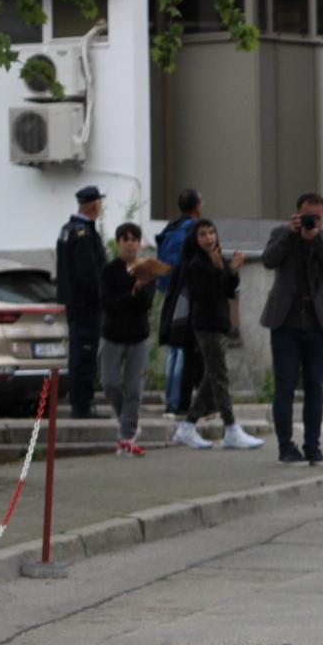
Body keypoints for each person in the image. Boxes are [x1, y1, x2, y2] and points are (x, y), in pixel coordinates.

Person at [262, 192, 323, 466]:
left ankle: (312, 447)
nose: (312, 221)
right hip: (285, 321)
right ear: (297, 214)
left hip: (318, 322)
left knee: (315, 388)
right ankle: (286, 447)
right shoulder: (281, 233)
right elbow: (269, 260)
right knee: (284, 387)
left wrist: (315, 238)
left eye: (317, 217)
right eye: (308, 216)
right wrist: (291, 233)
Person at [169, 220, 260, 450]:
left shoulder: (216, 258)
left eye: (211, 232)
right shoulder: (196, 264)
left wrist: (232, 269)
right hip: (206, 326)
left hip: (220, 324)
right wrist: (221, 270)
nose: (209, 238)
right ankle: (231, 428)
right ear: (195, 239)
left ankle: (187, 427)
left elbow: (229, 290)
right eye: (203, 234)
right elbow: (207, 295)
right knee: (219, 377)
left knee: (212, 376)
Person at [98, 222, 160, 455]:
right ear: (118, 243)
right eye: (125, 239)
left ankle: (126, 436)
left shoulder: (147, 270)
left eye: (134, 239)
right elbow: (108, 304)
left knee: (134, 388)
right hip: (112, 335)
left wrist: (141, 291)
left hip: (138, 336)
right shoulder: (109, 270)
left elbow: (146, 305)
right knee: (110, 383)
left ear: (139, 243)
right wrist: (132, 293)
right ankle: (126, 420)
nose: (130, 244)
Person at [55, 184, 109, 417]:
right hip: (86, 305)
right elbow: (88, 275)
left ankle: (80, 403)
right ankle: (82, 406)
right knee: (84, 355)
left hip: (75, 304)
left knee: (79, 353)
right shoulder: (83, 234)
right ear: (94, 206)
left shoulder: (68, 229)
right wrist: (102, 297)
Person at [156, 188, 202, 417]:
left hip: (171, 292)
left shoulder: (170, 228)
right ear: (197, 206)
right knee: (185, 347)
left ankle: (171, 401)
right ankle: (178, 402)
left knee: (174, 349)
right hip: (187, 293)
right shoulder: (193, 229)